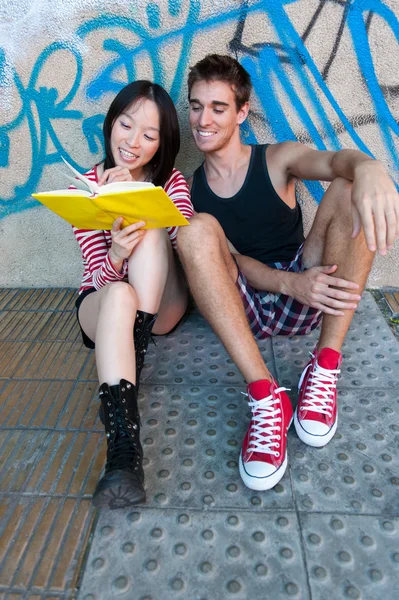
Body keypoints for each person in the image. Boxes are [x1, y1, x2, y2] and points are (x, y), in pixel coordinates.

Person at [176, 54, 399, 492]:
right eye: (196, 105)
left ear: (242, 112)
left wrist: (370, 167)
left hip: (309, 295)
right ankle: (266, 399)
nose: (203, 119)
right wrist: (288, 283)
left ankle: (325, 366)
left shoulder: (277, 159)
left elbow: (335, 162)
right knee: (196, 231)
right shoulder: (192, 186)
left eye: (218, 107)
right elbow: (233, 264)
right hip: (245, 305)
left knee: (349, 185)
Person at [73, 81, 193, 509]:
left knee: (153, 222)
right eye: (126, 125)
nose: (132, 141)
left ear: (161, 143)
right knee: (120, 295)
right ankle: (124, 453)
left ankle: (124, 375)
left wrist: (133, 201)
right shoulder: (86, 184)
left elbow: (186, 245)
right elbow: (97, 276)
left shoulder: (171, 181)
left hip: (163, 304)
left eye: (148, 134)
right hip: (105, 303)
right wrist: (117, 252)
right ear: (112, 124)